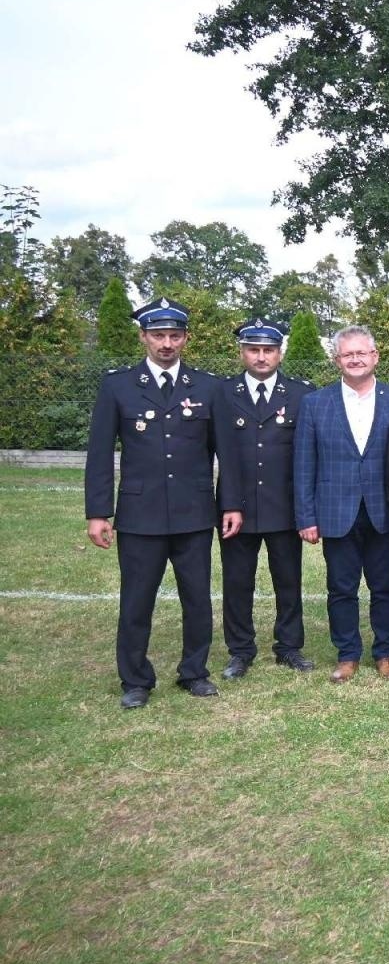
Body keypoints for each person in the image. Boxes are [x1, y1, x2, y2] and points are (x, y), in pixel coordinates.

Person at [85, 298, 243, 708]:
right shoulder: (118, 385)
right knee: (136, 600)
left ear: (186, 338)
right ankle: (135, 679)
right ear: (144, 337)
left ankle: (194, 672)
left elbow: (227, 452)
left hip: (193, 514)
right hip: (139, 516)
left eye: (174, 336)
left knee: (197, 598)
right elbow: (100, 453)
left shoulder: (208, 388)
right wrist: (98, 512)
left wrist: (231, 505)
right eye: (158, 336)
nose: (167, 344)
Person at [294, 325, 389, 683]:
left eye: (362, 352)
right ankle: (347, 654)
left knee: (385, 586)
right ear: (337, 360)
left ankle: (386, 652)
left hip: (384, 511)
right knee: (341, 588)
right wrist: (306, 515)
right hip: (335, 511)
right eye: (348, 354)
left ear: (375, 356)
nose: (356, 359)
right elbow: (303, 463)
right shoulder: (315, 403)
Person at [218, 317, 315, 680]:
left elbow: (307, 453)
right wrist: (229, 502)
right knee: (237, 581)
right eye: (253, 349)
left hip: (284, 505)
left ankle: (289, 647)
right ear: (242, 351)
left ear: (280, 352)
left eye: (268, 350)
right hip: (236, 507)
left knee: (288, 579)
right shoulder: (223, 393)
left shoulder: (301, 394)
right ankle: (240, 650)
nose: (261, 357)